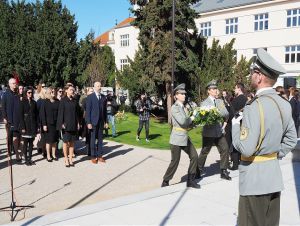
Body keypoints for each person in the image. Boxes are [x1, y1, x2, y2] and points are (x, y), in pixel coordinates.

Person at [232, 48, 297, 226]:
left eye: (253, 72)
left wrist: (235, 126)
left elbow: (246, 148)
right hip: (273, 177)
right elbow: (292, 138)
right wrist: (274, 154)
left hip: (254, 181)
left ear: (259, 76)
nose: (251, 75)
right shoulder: (283, 103)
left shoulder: (254, 106)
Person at [161, 84, 200, 189]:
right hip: (176, 138)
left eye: (184, 94)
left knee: (194, 156)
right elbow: (183, 121)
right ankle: (165, 180)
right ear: (176, 96)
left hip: (184, 137)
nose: (184, 95)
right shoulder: (175, 108)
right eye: (181, 94)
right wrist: (192, 117)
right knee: (175, 161)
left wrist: (197, 122)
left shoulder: (184, 108)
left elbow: (187, 124)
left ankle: (190, 180)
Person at [197, 80, 231, 180]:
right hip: (208, 132)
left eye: (216, 88)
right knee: (204, 151)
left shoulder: (220, 101)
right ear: (209, 91)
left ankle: (223, 171)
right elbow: (204, 118)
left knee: (225, 149)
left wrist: (215, 113)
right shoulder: (204, 103)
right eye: (213, 89)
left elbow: (226, 114)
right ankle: (198, 171)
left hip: (219, 131)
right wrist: (216, 113)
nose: (216, 90)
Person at [57, 84, 81, 167]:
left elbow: (77, 113)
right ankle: (66, 159)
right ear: (66, 90)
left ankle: (71, 159)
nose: (72, 91)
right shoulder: (63, 101)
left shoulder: (75, 100)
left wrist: (78, 123)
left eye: (73, 90)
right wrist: (62, 123)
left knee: (72, 143)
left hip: (73, 124)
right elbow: (60, 114)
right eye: (71, 90)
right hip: (66, 125)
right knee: (65, 142)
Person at [86, 81, 108, 164]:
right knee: (92, 140)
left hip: (101, 122)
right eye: (98, 86)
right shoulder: (90, 97)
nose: (99, 87)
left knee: (100, 140)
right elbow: (88, 111)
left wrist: (106, 122)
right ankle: (93, 156)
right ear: (94, 87)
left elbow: (105, 111)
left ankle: (100, 156)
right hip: (93, 122)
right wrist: (88, 122)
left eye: (100, 86)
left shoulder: (103, 97)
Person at [1, 78, 22, 161]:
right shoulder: (5, 94)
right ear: (9, 84)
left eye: (15, 83)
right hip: (9, 120)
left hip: (17, 119)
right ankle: (9, 152)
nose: (15, 85)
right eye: (13, 83)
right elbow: (3, 107)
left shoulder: (17, 94)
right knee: (9, 137)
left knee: (17, 137)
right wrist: (4, 117)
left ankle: (17, 153)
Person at [230, 83, 248, 170]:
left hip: (236, 124)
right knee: (243, 142)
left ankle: (235, 164)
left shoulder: (235, 100)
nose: (234, 90)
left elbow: (231, 113)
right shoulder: (246, 99)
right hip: (244, 124)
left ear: (239, 89)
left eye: (235, 88)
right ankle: (243, 161)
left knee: (235, 143)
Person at [19, 87, 38, 165]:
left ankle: (30, 158)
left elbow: (36, 114)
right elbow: (20, 116)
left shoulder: (34, 102)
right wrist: (23, 127)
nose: (30, 94)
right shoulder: (22, 102)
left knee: (31, 143)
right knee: (25, 143)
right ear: (25, 93)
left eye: (31, 92)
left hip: (32, 124)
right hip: (26, 124)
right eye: (28, 92)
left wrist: (37, 126)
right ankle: (26, 159)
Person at [40, 87, 60, 162]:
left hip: (56, 123)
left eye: (54, 91)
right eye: (51, 92)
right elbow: (43, 114)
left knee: (54, 140)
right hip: (48, 124)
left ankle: (54, 154)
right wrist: (44, 124)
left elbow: (59, 113)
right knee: (48, 141)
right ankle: (48, 155)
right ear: (48, 93)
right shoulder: (45, 102)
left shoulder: (57, 101)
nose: (53, 93)